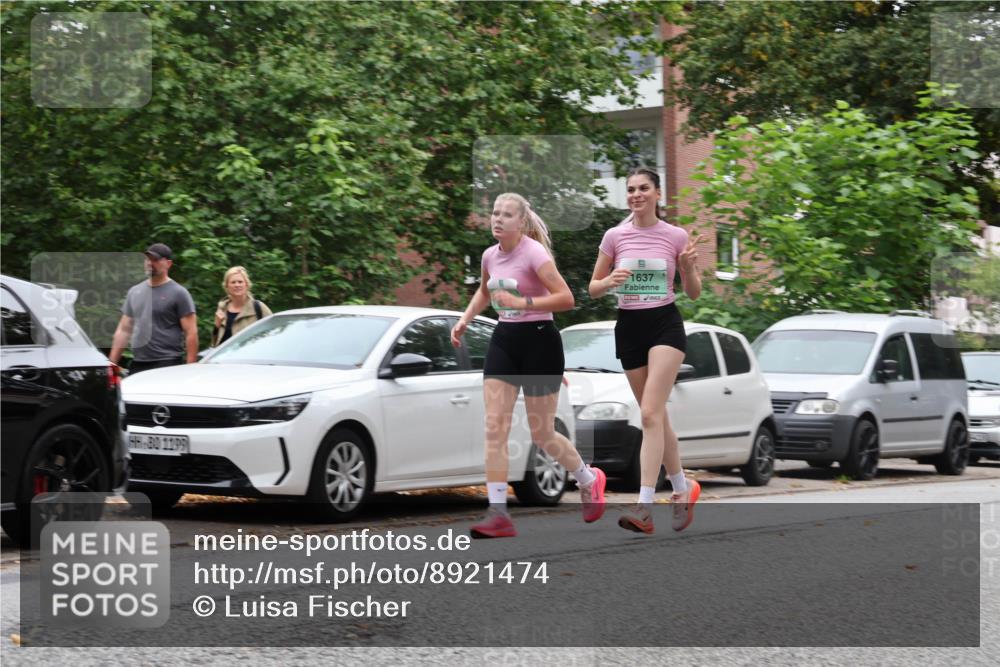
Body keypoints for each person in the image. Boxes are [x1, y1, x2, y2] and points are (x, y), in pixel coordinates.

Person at [451, 192, 607, 538]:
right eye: (494, 213)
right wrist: (465, 319)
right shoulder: (489, 256)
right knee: (494, 427)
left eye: (506, 215)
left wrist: (524, 302)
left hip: (540, 341)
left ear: (521, 222)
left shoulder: (534, 253)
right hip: (505, 339)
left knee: (542, 433)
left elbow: (567, 298)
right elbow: (484, 291)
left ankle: (587, 477)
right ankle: (498, 513)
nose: (498, 219)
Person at [588, 167, 703, 534]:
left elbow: (694, 291)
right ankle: (683, 489)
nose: (636, 195)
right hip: (629, 326)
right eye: (631, 190)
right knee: (657, 417)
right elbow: (592, 288)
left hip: (664, 324)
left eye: (643, 189)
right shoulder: (614, 236)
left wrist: (687, 267)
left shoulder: (675, 235)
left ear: (657, 194)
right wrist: (608, 281)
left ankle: (645, 505)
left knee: (651, 413)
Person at [110, 243, 198, 374]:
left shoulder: (179, 293)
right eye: (147, 259)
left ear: (168, 264)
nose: (150, 263)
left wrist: (191, 369)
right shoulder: (134, 291)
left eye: (155, 260)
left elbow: (191, 332)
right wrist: (111, 364)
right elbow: (123, 330)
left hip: (168, 363)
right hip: (138, 363)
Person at [211, 266, 272, 347]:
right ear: (227, 286)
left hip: (249, 358)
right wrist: (216, 326)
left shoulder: (258, 308)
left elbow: (273, 334)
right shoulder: (222, 308)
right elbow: (214, 344)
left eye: (240, 282)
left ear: (246, 285)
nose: (237, 285)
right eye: (233, 282)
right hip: (224, 358)